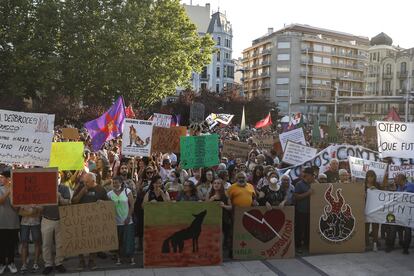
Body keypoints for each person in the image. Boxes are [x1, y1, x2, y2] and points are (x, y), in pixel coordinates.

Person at [72, 172, 108, 270]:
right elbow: (73, 201)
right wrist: (81, 193)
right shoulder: (81, 188)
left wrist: (103, 203)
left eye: (87, 182)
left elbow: (108, 204)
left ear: (93, 181)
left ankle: (92, 261)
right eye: (84, 182)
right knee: (80, 240)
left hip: (94, 221)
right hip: (81, 219)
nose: (85, 183)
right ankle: (81, 261)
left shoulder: (101, 190)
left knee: (94, 240)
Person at [40, 172, 71, 275]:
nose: (56, 179)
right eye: (54, 177)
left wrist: (60, 198)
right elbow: (40, 205)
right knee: (46, 243)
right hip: (47, 219)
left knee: (60, 243)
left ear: (60, 178)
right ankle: (48, 264)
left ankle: (59, 263)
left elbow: (68, 203)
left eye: (58, 177)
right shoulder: (44, 188)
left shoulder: (64, 188)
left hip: (60, 219)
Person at [107, 177, 135, 265]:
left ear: (121, 183)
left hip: (127, 221)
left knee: (129, 240)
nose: (115, 184)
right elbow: (106, 206)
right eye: (114, 183)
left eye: (117, 183)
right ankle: (118, 257)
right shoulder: (109, 194)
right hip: (116, 221)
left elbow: (132, 205)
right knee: (118, 240)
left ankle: (131, 258)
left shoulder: (127, 191)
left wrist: (128, 217)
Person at [386, 174, 414, 254]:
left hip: (408, 214)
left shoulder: (411, 186)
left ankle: (406, 248)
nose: (395, 181)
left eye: (396, 179)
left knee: (407, 230)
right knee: (393, 228)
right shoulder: (399, 187)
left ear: (402, 179)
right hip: (399, 212)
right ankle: (391, 246)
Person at [0, 170, 19, 274]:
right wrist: (8, 191)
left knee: (11, 245)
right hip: (1, 222)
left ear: (8, 179)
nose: (0, 179)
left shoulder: (16, 190)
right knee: (2, 244)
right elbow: (1, 201)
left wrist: (12, 191)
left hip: (13, 222)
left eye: (2, 177)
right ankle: (2, 263)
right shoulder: (0, 189)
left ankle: (11, 263)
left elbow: (16, 208)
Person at [294, 167, 314, 254]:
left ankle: (307, 244)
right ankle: (298, 246)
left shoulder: (313, 184)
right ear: (308, 175)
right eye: (312, 175)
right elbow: (296, 197)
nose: (313, 177)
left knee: (308, 229)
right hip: (301, 210)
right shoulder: (299, 184)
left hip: (311, 211)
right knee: (300, 229)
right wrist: (308, 193)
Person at [19, 205, 42, 273]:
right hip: (24, 223)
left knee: (37, 242)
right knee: (24, 243)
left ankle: (35, 263)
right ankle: (24, 264)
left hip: (36, 222)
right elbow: (20, 212)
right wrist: (31, 212)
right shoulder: (23, 198)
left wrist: (28, 212)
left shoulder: (38, 198)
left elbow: (40, 211)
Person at [364, 170, 379, 252]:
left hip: (375, 209)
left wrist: (376, 190)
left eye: (372, 176)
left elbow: (382, 195)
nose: (370, 178)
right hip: (366, 209)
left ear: (374, 177)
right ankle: (366, 243)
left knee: (375, 227)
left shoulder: (377, 185)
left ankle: (375, 243)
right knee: (365, 227)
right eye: (369, 176)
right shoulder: (363, 185)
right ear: (366, 177)